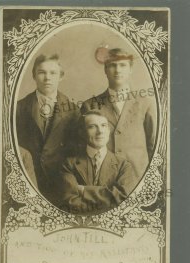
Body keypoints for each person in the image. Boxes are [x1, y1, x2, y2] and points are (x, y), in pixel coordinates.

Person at [81, 48, 157, 181]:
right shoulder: (90, 105)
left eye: (123, 65)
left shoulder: (146, 103)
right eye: (112, 65)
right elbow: (83, 149)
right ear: (105, 69)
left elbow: (154, 145)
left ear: (130, 69)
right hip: (102, 182)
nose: (118, 70)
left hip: (137, 178)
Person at [16, 53, 79, 199]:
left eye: (53, 73)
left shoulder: (73, 110)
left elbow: (76, 150)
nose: (47, 78)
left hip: (61, 182)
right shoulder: (20, 108)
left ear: (61, 76)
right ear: (33, 76)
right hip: (30, 179)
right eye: (41, 72)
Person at [55, 110, 136, 214]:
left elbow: (123, 197)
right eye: (92, 126)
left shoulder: (124, 165)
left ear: (109, 130)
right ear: (82, 132)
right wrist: (107, 204)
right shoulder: (69, 164)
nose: (100, 131)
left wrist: (83, 190)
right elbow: (69, 202)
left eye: (103, 126)